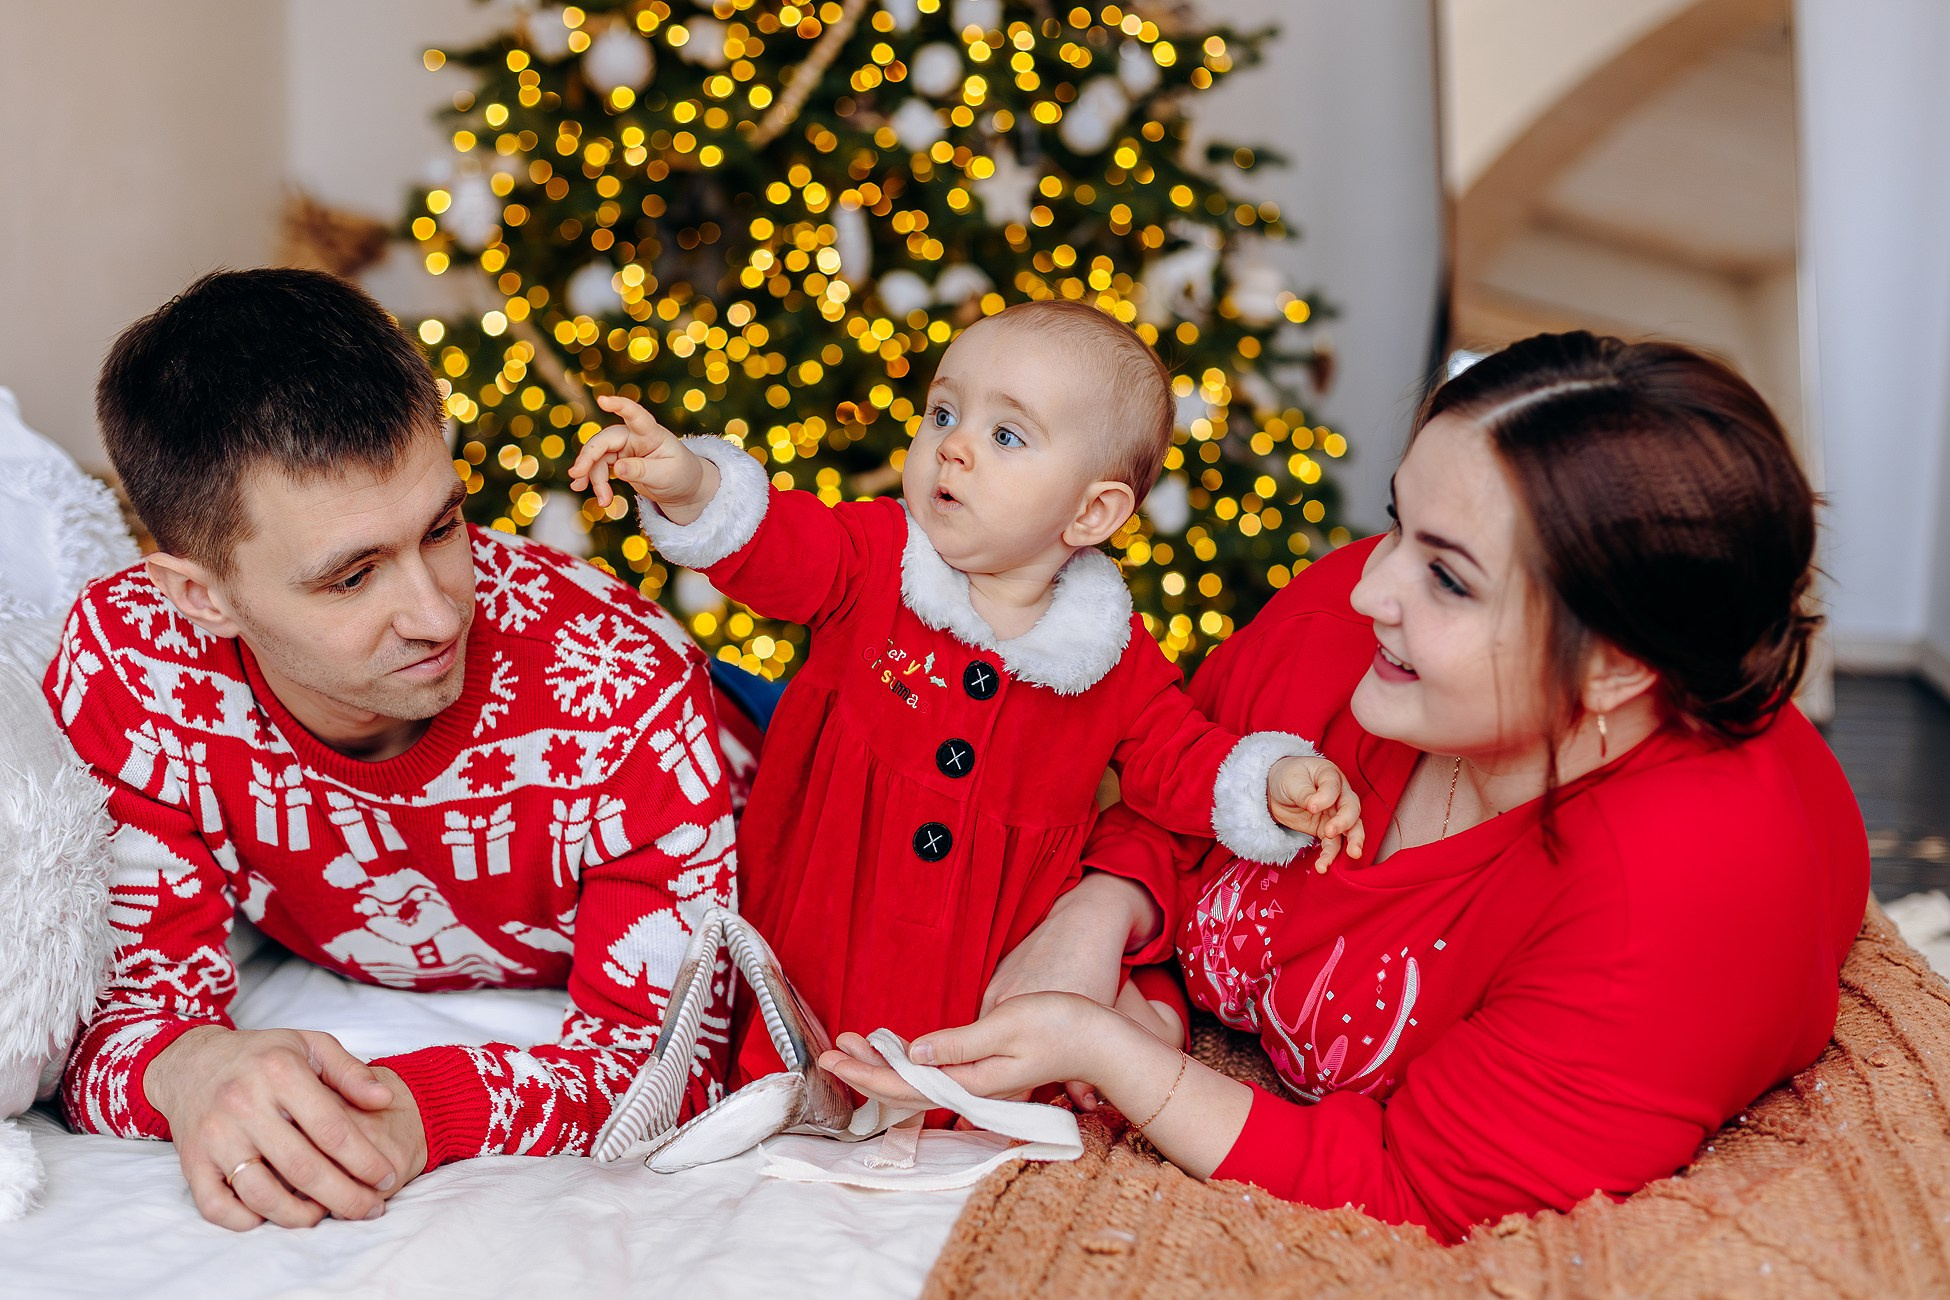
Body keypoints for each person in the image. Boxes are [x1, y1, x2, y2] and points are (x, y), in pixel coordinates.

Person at [820, 331, 1871, 1244]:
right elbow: (1178, 772)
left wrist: (1106, 1049)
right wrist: (1102, 912)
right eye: (1396, 523)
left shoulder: (1672, 909)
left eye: (1447, 577)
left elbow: (1412, 1186)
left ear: (1615, 668)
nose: (1367, 585)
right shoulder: (1353, 638)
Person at [45, 269, 754, 1231]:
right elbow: (110, 1018)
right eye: (352, 577)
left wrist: (419, 1111)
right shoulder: (133, 667)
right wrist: (190, 1068)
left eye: (444, 526)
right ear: (200, 597)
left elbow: (674, 1068)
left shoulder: (620, 684)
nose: (436, 614)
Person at [567, 300, 1364, 1087]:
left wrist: (1269, 781)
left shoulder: (1109, 655)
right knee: (791, 1070)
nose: (953, 447)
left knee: (993, 1079)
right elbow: (778, 544)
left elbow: (1182, 757)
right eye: (943, 413)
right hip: (827, 920)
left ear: (1092, 511)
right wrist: (693, 486)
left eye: (1005, 435)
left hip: (984, 956)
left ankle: (1006, 1080)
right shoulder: (875, 559)